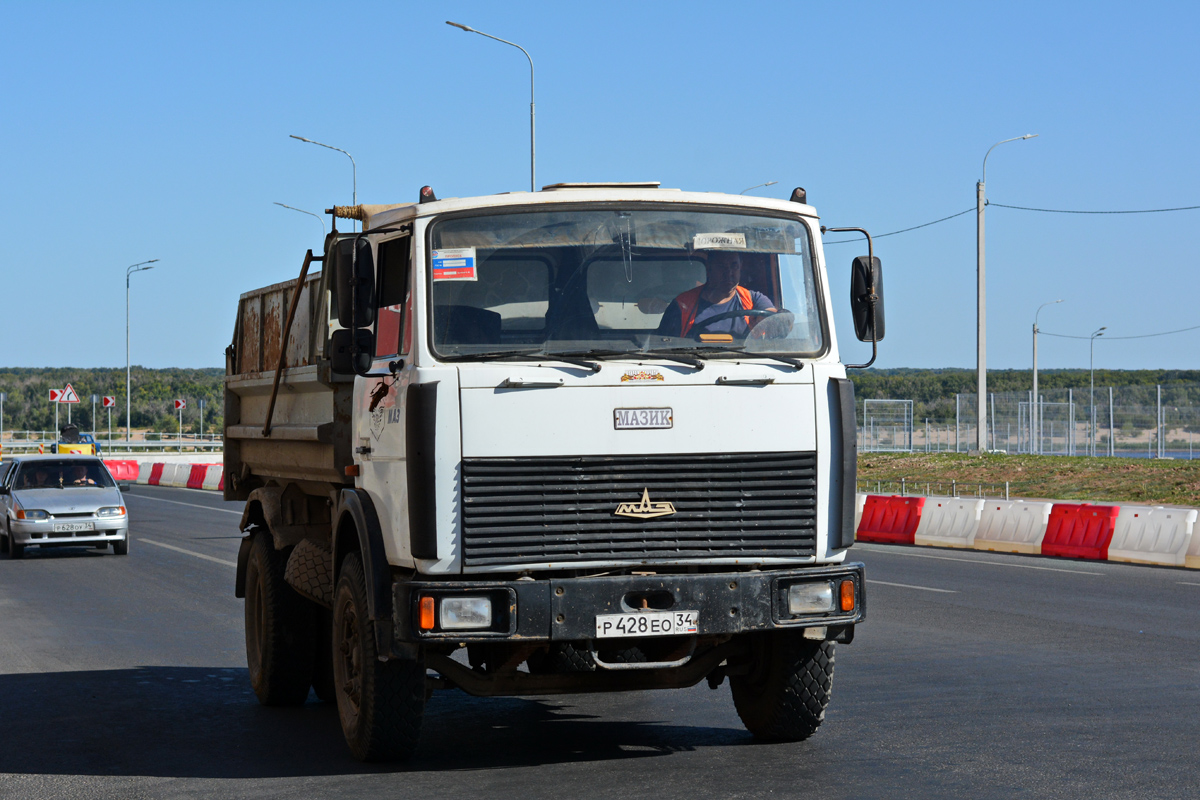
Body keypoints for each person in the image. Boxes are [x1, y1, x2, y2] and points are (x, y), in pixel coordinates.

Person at [655, 250, 776, 338]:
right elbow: (663, 347)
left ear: (741, 268)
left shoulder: (753, 299)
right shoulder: (682, 305)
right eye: (721, 266)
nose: (728, 273)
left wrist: (777, 319)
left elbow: (778, 320)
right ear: (708, 268)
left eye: (734, 266)